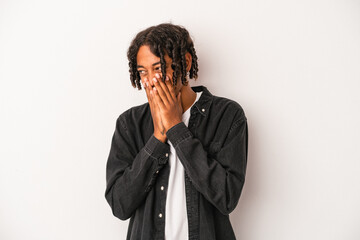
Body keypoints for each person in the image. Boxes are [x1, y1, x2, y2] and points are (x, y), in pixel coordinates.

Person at [105, 23, 248, 240]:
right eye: (143, 72)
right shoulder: (129, 123)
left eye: (158, 68)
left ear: (186, 62)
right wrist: (158, 137)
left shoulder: (227, 116)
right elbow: (120, 205)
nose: (150, 82)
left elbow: (226, 197)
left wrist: (176, 128)